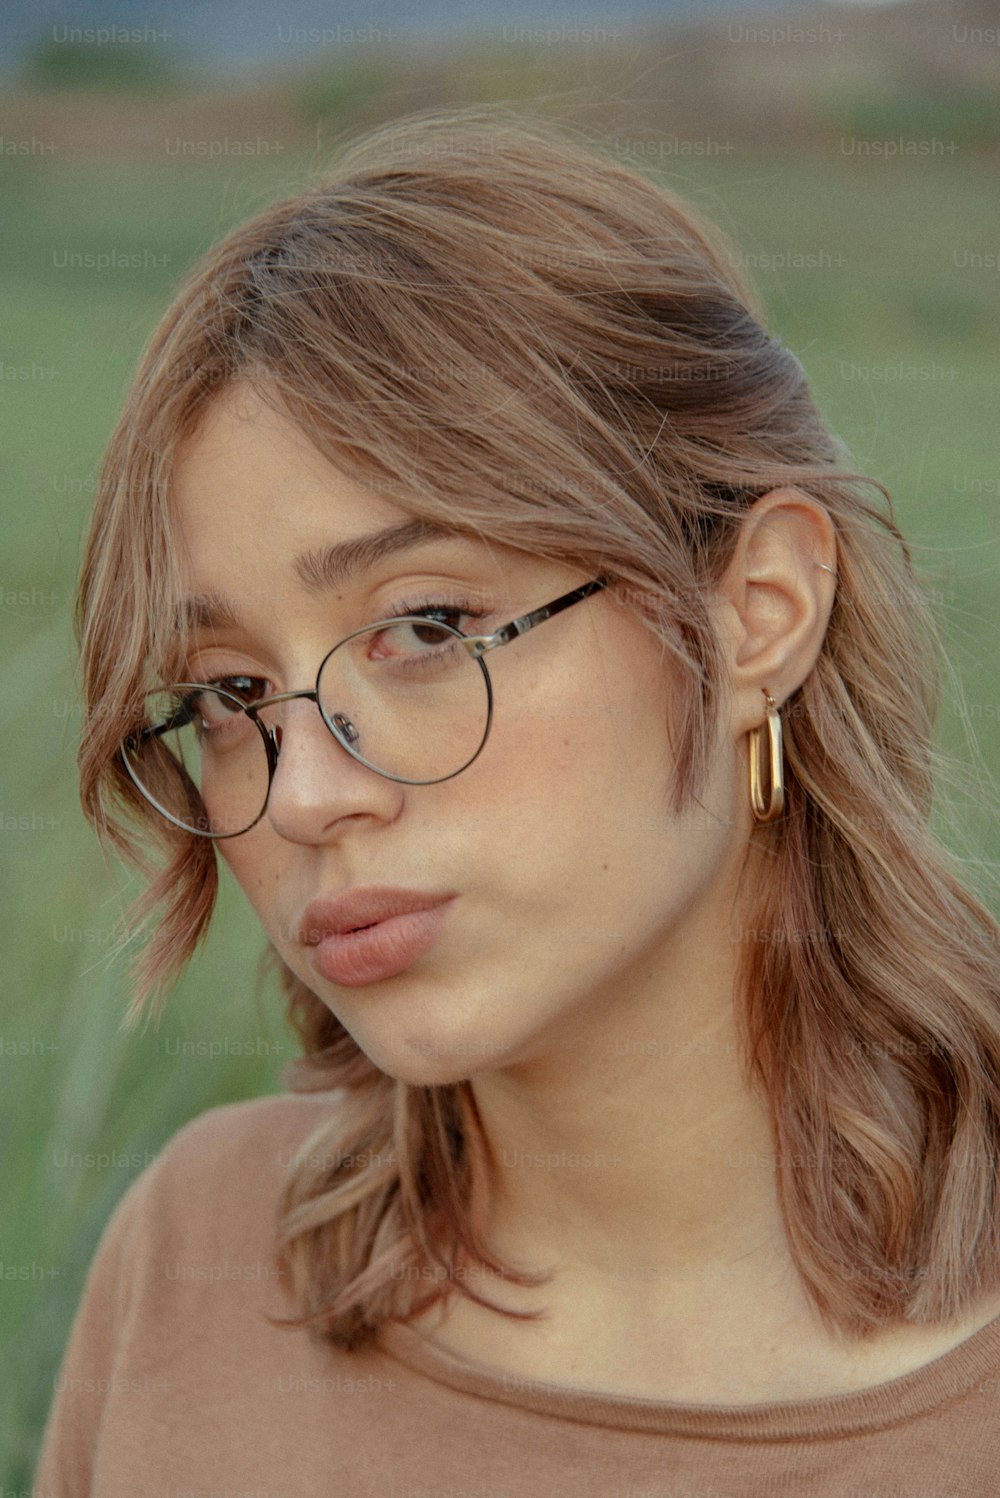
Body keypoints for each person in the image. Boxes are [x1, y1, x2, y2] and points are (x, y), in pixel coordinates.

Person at [35, 104, 1000, 1494]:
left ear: (757, 616)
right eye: (232, 697)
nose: (302, 793)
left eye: (425, 626)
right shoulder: (198, 1260)